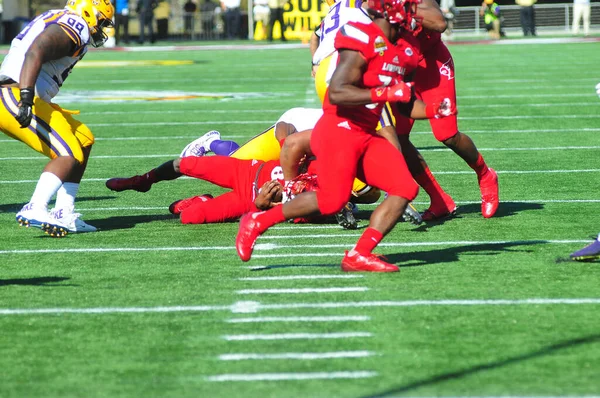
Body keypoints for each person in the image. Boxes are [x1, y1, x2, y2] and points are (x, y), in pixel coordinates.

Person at [235, 0, 452, 272]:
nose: (412, 13)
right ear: (387, 11)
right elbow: (337, 92)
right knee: (332, 200)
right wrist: (381, 94)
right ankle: (256, 222)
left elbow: (404, 102)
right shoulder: (362, 38)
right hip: (339, 130)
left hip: (366, 133)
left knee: (405, 187)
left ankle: (359, 254)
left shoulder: (405, 48)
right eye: (407, 8)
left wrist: (434, 109)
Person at [0, 0, 115, 237]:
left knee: (83, 138)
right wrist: (26, 97)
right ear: (89, 12)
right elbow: (37, 50)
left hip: (24, 95)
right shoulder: (77, 24)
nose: (101, 28)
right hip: (14, 95)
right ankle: (35, 207)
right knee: (69, 153)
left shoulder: (59, 16)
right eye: (101, 21)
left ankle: (63, 211)